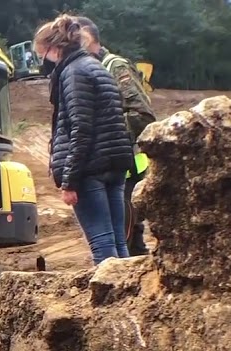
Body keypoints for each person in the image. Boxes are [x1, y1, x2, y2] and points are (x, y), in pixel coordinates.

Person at [35, 15, 137, 264]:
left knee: (102, 244)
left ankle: (111, 299)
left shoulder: (72, 73)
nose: (43, 61)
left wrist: (69, 181)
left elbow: (80, 129)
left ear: (55, 48)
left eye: (42, 54)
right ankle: (126, 298)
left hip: (91, 169)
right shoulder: (96, 67)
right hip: (115, 164)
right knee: (118, 243)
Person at [74, 16, 158, 257]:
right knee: (121, 239)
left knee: (126, 237)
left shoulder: (115, 66)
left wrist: (105, 134)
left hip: (128, 164)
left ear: (87, 38)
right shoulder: (89, 69)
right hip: (112, 162)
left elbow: (142, 114)